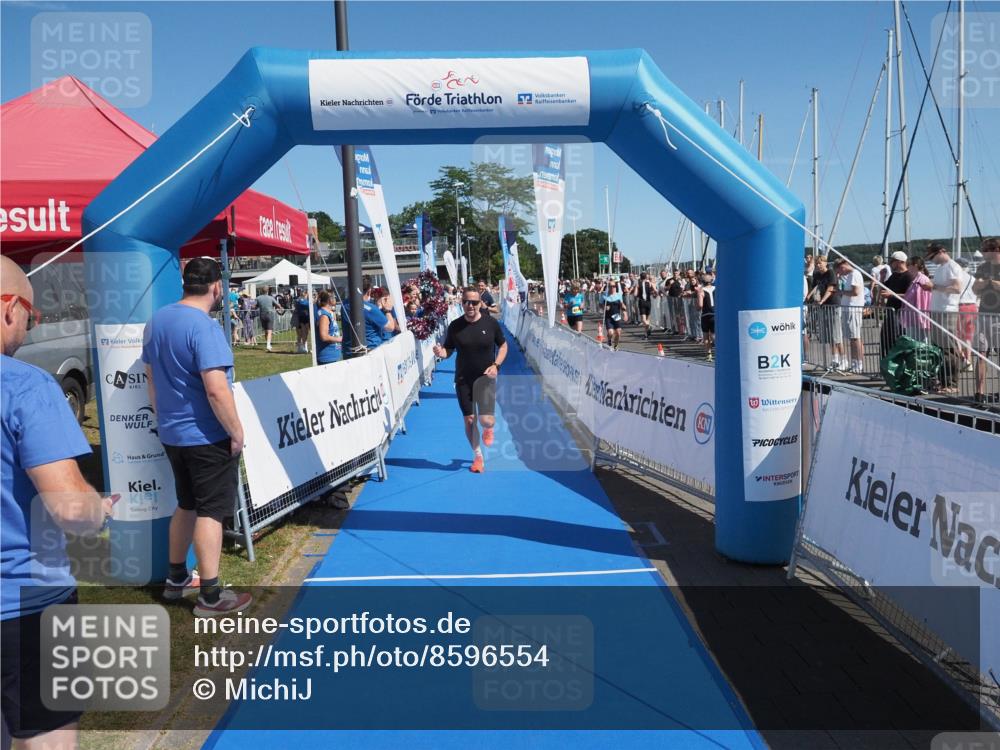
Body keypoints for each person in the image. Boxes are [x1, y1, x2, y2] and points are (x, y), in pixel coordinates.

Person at [2, 257, 118, 747]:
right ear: (10, 308)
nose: (33, 324)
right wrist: (101, 508)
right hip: (27, 604)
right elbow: (72, 509)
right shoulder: (26, 386)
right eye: (31, 312)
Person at [142, 258, 251, 616]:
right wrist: (236, 432)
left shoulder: (157, 320)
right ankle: (210, 595)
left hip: (173, 432)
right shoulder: (204, 327)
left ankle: (176, 578)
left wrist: (163, 419)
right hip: (205, 433)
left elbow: (151, 378)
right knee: (211, 511)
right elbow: (216, 389)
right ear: (217, 287)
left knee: (187, 503)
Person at [432, 287, 508, 474]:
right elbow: (448, 349)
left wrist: (496, 365)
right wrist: (441, 353)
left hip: (485, 379)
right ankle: (478, 456)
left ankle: (488, 428)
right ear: (462, 303)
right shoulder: (455, 326)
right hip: (463, 378)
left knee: (486, 420)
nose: (471, 306)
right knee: (469, 420)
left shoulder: (491, 324)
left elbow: (504, 346)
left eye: (474, 302)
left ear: (480, 303)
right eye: (467, 302)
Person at [926, 243, 963, 393]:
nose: (932, 260)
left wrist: (935, 287)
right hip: (937, 310)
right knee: (939, 349)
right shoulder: (941, 268)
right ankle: (943, 381)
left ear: (941, 252)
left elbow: (957, 288)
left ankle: (952, 383)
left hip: (947, 311)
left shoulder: (952, 266)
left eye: (933, 256)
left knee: (949, 349)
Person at [973, 237, 1000, 402]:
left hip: (999, 316)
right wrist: (982, 285)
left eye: (985, 250)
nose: (982, 253)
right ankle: (979, 392)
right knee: (981, 354)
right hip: (983, 315)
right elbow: (975, 289)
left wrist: (994, 283)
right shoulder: (983, 267)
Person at [341, 279, 398, 353]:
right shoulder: (370, 309)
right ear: (369, 291)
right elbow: (390, 327)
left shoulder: (344, 304)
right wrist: (387, 310)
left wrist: (378, 307)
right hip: (370, 351)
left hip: (348, 351)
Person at [878, 251, 914, 359]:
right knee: (886, 339)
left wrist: (892, 295)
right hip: (890, 312)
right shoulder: (894, 275)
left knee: (897, 339)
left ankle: (898, 362)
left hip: (901, 312)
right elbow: (882, 289)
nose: (890, 263)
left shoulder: (909, 276)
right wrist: (881, 277)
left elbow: (910, 295)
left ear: (899, 262)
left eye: (892, 261)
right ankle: (887, 362)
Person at [835, 259, 866, 374]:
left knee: (855, 337)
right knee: (852, 338)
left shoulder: (855, 274)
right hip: (848, 308)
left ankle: (858, 363)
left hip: (854, 308)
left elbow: (856, 292)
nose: (840, 274)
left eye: (839, 271)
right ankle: (854, 363)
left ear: (842, 266)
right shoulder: (849, 275)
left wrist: (842, 292)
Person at [811, 256, 840, 368]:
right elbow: (814, 288)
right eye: (817, 263)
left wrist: (822, 300)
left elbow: (830, 288)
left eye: (820, 263)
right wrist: (812, 299)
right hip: (823, 306)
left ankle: (839, 359)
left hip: (832, 304)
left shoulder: (831, 272)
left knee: (835, 334)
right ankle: (832, 359)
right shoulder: (817, 274)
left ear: (825, 263)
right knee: (826, 335)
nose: (818, 265)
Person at [314, 290, 343, 364]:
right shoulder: (324, 315)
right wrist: (339, 339)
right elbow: (324, 336)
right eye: (334, 297)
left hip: (333, 354)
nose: (335, 299)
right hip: (328, 357)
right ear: (330, 300)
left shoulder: (328, 313)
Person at [255, 286, 283, 352]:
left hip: (262, 315)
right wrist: (280, 308)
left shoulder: (258, 298)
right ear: (268, 291)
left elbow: (255, 306)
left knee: (265, 330)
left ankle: (268, 344)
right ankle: (268, 344)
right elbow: (278, 305)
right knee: (270, 330)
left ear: (262, 291)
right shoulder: (271, 298)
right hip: (270, 314)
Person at [600, 280, 626, 350]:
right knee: (610, 333)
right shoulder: (604, 295)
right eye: (610, 286)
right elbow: (600, 304)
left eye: (614, 286)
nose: (612, 288)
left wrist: (625, 313)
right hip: (608, 317)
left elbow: (622, 305)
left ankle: (616, 345)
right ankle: (609, 340)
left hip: (616, 316)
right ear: (608, 287)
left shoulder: (618, 295)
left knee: (618, 332)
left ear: (616, 287)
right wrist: (604, 307)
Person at [697, 272, 716, 358]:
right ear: (711, 280)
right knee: (714, 334)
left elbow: (700, 305)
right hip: (715, 313)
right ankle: (717, 349)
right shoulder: (717, 289)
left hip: (706, 314)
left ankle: (709, 354)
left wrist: (696, 307)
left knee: (705, 335)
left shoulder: (701, 290)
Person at [636, 272, 655, 339]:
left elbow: (635, 294)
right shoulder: (649, 283)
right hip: (648, 302)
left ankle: (649, 326)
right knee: (647, 319)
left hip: (642, 302)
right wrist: (654, 293)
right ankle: (646, 334)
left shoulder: (638, 284)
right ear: (646, 277)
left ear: (640, 277)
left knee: (644, 320)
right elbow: (655, 290)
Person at [293, 288, 311, 354]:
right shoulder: (302, 301)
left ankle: (303, 347)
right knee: (304, 333)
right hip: (302, 318)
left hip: (303, 318)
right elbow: (307, 305)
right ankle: (303, 347)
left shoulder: (298, 301)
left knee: (303, 333)